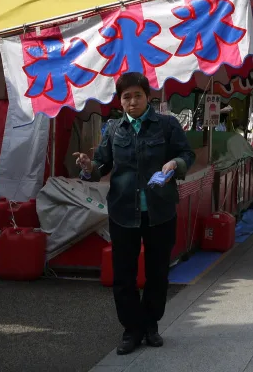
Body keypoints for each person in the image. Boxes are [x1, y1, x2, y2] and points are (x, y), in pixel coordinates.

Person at [74, 72, 195, 356]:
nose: (132, 101)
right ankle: (131, 329)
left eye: (137, 95)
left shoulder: (166, 125)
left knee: (157, 273)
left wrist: (175, 164)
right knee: (124, 276)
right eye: (126, 97)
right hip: (123, 212)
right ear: (120, 101)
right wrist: (89, 166)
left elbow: (186, 154)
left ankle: (151, 325)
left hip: (160, 211)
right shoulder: (114, 129)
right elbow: (101, 165)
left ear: (147, 97)